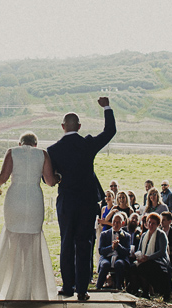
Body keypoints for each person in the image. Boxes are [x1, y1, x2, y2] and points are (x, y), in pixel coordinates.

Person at [47, 96, 116, 301]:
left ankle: (67, 287)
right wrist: (107, 107)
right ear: (79, 125)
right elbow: (110, 132)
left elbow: (48, 178)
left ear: (62, 127)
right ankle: (82, 291)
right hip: (87, 202)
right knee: (84, 244)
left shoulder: (53, 150)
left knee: (66, 243)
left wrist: (59, 177)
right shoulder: (87, 145)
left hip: (66, 202)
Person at [0, 131, 58, 300]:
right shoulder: (43, 154)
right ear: (35, 144)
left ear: (20, 143)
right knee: (32, 241)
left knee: (12, 237)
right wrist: (58, 177)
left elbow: (3, 177)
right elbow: (50, 181)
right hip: (34, 200)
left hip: (15, 200)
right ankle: (32, 291)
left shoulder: (12, 152)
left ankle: (6, 289)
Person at [127, 212, 172, 301]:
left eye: (153, 223)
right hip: (145, 259)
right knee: (132, 267)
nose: (151, 225)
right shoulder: (144, 235)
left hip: (159, 261)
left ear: (158, 225)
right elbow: (139, 249)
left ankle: (146, 291)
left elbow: (161, 252)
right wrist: (137, 256)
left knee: (144, 267)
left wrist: (148, 257)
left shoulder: (161, 235)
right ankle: (135, 289)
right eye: (149, 222)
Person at [96, 213, 131, 290]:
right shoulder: (104, 234)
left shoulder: (127, 236)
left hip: (120, 257)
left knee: (119, 264)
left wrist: (118, 247)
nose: (115, 224)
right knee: (105, 264)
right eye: (114, 221)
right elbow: (101, 251)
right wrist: (111, 247)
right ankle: (98, 286)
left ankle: (119, 286)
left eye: (118, 222)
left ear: (122, 223)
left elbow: (127, 252)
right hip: (107, 256)